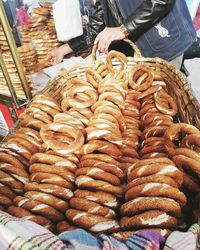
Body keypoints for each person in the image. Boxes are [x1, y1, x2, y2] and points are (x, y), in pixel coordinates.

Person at [49, 0, 197, 69]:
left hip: (164, 39)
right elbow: (97, 25)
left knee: (166, 103)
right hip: (134, 48)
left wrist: (123, 29)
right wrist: (64, 49)